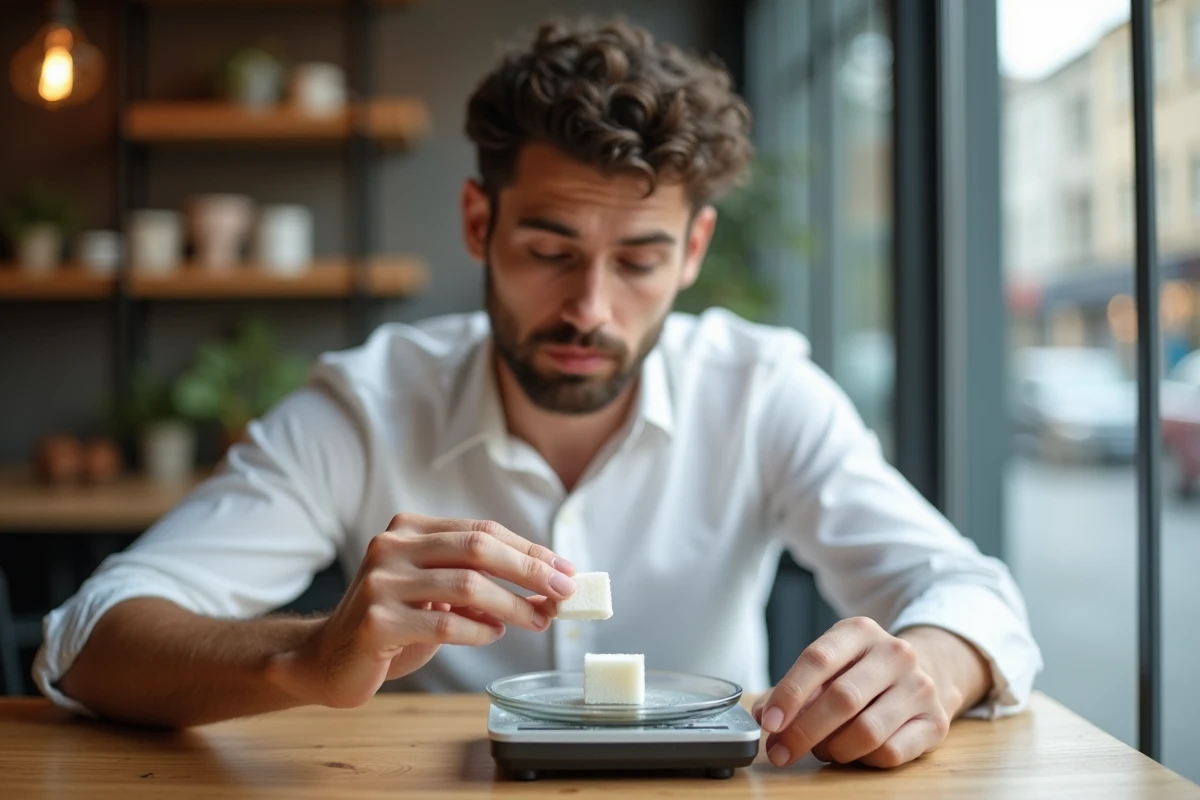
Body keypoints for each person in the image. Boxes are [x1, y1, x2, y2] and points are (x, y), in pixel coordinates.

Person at [34, 18, 1041, 770]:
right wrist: (306, 650)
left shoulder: (762, 391)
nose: (590, 309)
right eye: (549, 249)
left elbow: (974, 593)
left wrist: (934, 665)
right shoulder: (366, 404)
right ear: (479, 222)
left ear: (693, 250)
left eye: (640, 259)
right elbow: (89, 636)